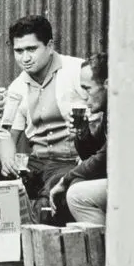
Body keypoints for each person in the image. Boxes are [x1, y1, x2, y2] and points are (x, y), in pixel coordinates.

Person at [0, 15, 89, 226]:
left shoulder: (77, 71)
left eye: (32, 49)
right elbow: (7, 135)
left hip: (70, 161)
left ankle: (36, 254)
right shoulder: (17, 87)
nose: (25, 58)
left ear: (49, 46)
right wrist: (7, 160)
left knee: (46, 199)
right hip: (37, 162)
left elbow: (104, 113)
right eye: (19, 51)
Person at [51, 52, 109, 225]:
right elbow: (91, 153)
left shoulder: (121, 112)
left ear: (107, 84)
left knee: (77, 195)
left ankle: (104, 249)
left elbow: (103, 158)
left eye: (87, 88)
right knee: (72, 183)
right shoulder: (108, 112)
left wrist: (66, 179)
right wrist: (82, 132)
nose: (84, 96)